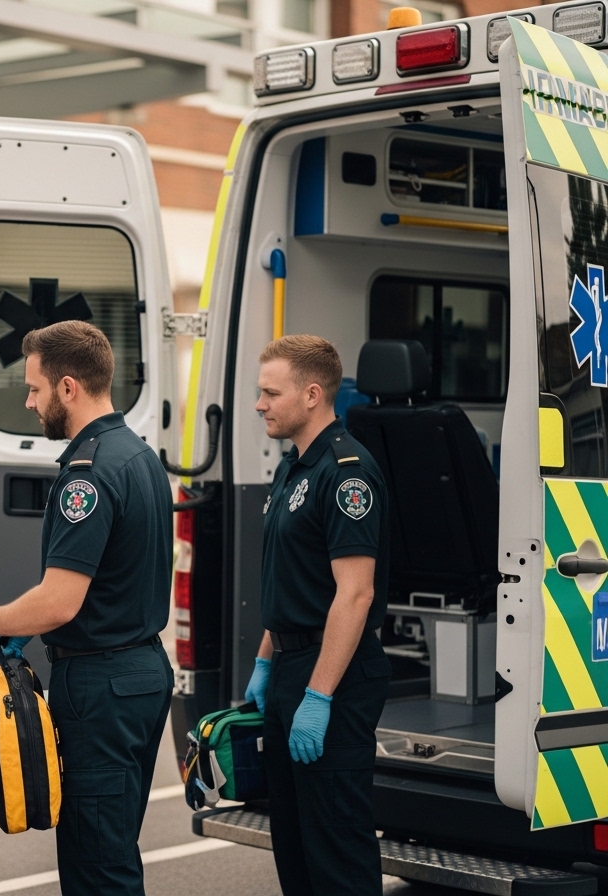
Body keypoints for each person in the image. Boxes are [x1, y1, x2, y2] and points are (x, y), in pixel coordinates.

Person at [0, 321, 173, 896]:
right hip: (141, 671)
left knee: (97, 864)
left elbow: (59, 602)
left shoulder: (86, 474)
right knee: (113, 844)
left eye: (33, 390)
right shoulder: (137, 455)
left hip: (101, 684)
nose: (29, 403)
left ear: (66, 387)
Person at [243, 334, 391, 896]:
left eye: (269, 393)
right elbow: (290, 581)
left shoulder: (346, 473)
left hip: (335, 674)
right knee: (296, 847)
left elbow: (354, 595)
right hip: (289, 666)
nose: (260, 404)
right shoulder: (292, 469)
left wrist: (320, 695)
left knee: (336, 850)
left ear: (311, 395)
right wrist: (265, 663)